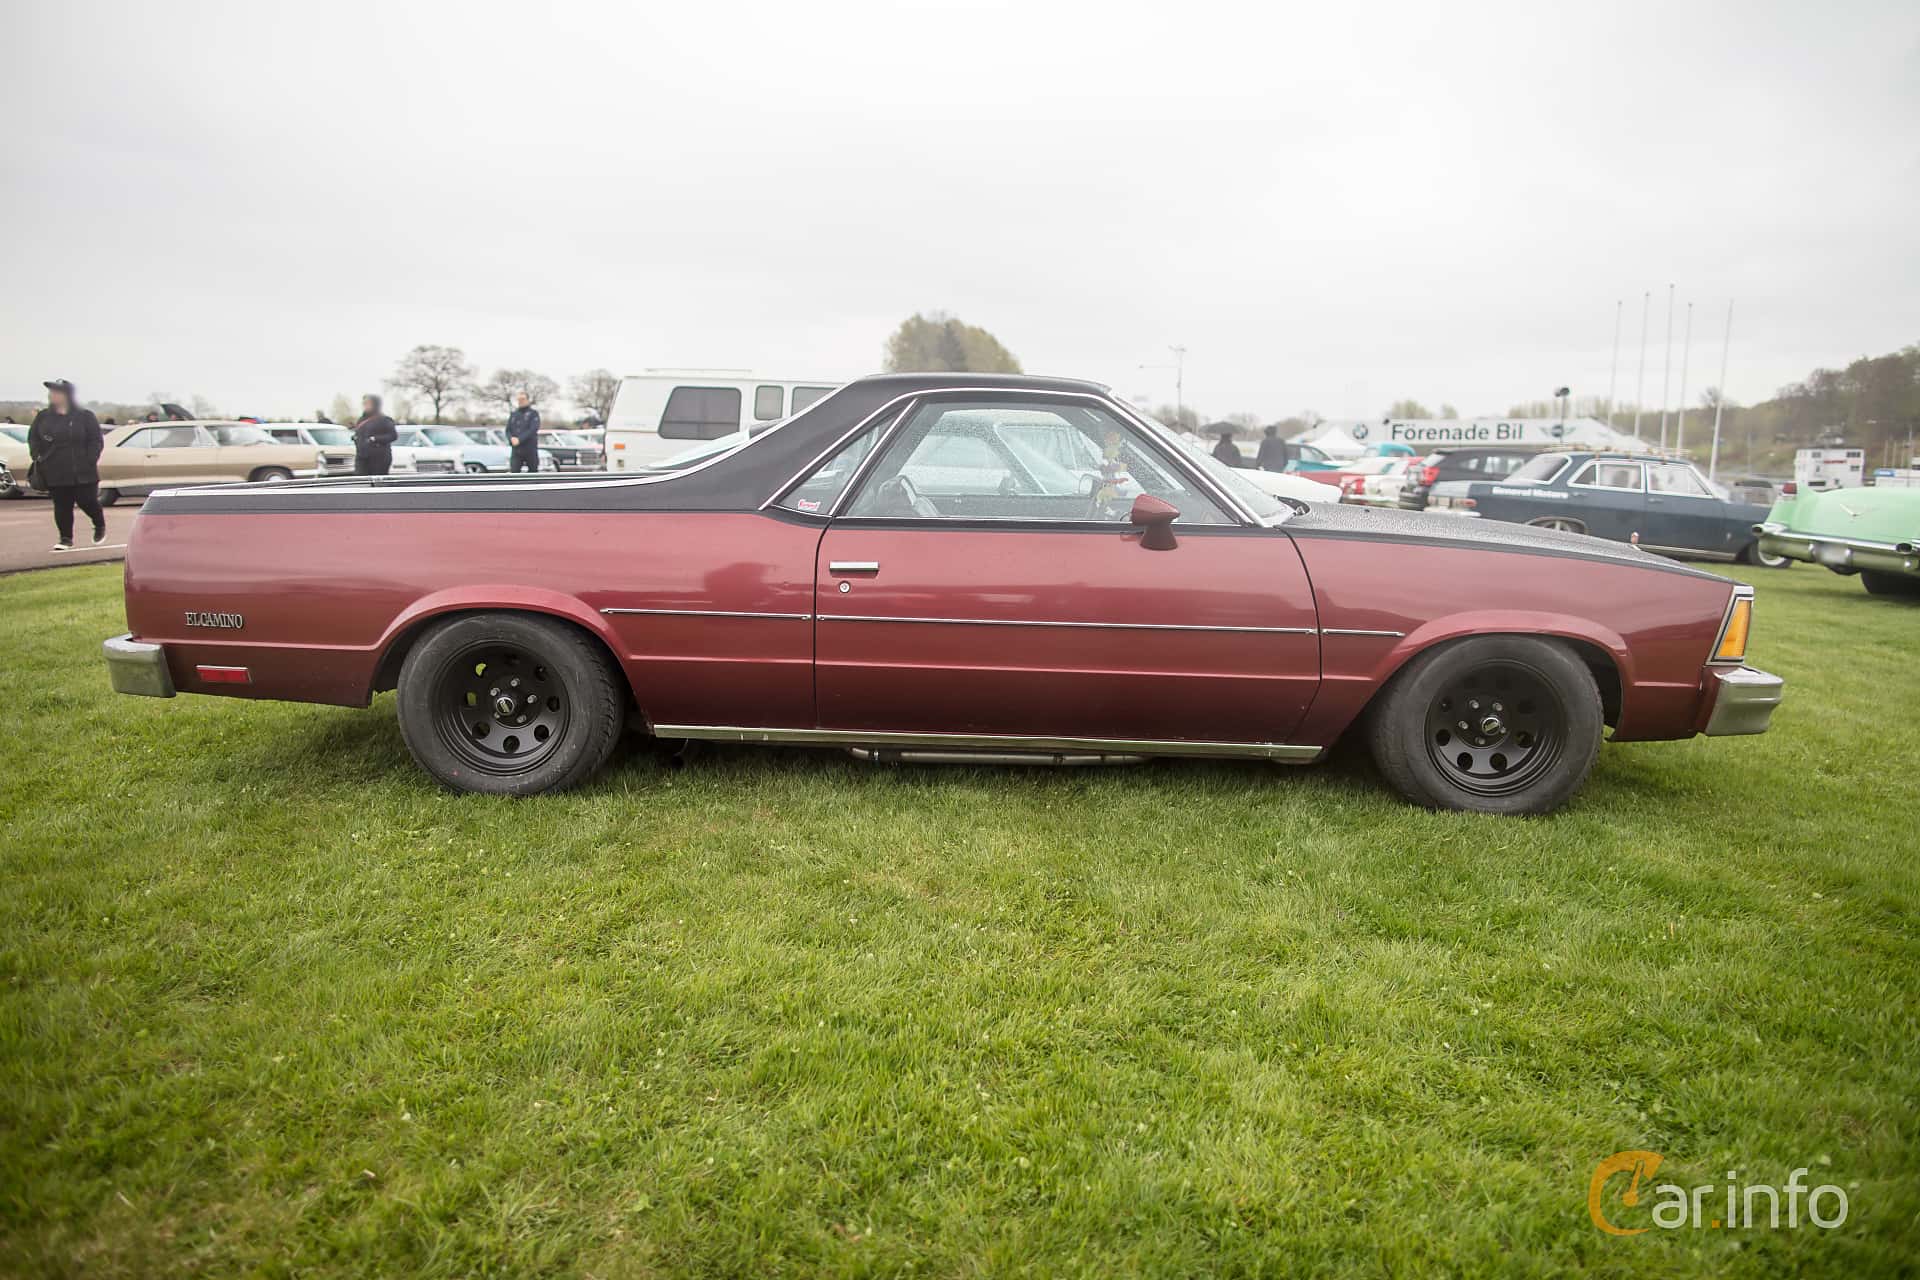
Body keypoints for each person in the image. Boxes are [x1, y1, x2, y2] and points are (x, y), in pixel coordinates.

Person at [28, 379, 106, 551]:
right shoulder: (44, 417)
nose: (53, 395)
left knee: (87, 501)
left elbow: (95, 440)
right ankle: (65, 538)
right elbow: (34, 438)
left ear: (67, 395)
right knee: (62, 505)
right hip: (55, 469)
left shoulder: (84, 416)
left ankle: (99, 524)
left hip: (83, 470)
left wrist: (90, 458)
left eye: (57, 392)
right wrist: (39, 456)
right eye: (51, 392)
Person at [352, 394, 398, 476]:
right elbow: (359, 434)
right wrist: (355, 438)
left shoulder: (384, 419)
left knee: (377, 483)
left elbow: (393, 436)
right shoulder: (361, 420)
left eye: (368, 403)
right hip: (362, 456)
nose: (365, 406)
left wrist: (375, 439)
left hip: (379, 458)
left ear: (375, 404)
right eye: (364, 403)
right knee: (361, 481)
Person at [506, 392, 541, 473]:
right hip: (516, 450)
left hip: (529, 448)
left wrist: (520, 439)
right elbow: (508, 430)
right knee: (514, 472)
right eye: (519, 400)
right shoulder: (514, 414)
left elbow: (532, 429)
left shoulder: (533, 414)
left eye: (523, 399)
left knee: (533, 472)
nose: (520, 401)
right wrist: (511, 439)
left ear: (528, 400)